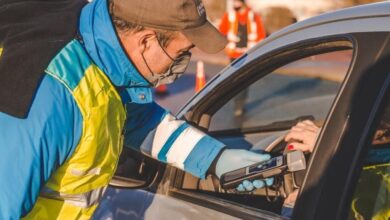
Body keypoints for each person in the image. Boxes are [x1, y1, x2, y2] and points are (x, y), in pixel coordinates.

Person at [0, 0, 273, 218]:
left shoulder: (99, 54)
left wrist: (214, 159)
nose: (179, 66)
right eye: (180, 55)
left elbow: (130, 117)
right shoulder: (46, 96)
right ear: (146, 41)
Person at [218, 0, 266, 118]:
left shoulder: (254, 16)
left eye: (237, 1)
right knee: (236, 80)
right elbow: (221, 32)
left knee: (245, 81)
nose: (234, 3)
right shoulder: (229, 15)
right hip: (234, 55)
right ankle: (238, 105)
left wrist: (258, 50)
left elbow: (261, 35)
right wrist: (227, 40)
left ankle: (240, 104)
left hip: (248, 54)